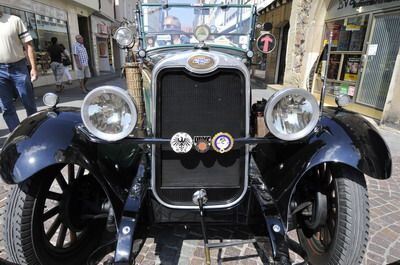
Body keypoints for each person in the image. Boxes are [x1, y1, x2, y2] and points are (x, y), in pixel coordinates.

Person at [0, 10, 38, 132]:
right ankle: (17, 136)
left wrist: (33, 67)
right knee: (6, 107)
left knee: (28, 102)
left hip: (18, 67)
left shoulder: (14, 20)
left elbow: (28, 45)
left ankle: (34, 130)